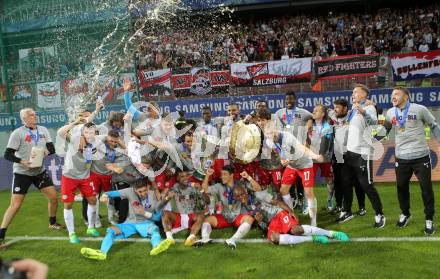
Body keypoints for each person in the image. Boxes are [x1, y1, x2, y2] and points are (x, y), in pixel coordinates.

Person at [0, 108, 63, 250]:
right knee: (15, 205)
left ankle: (52, 222)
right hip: (22, 173)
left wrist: (47, 151)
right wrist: (22, 161)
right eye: (31, 115)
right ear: (24, 118)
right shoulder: (18, 133)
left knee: (53, 197)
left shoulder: (43, 130)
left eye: (35, 114)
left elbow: (51, 148)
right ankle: (1, 235)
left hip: (39, 171)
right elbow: (8, 155)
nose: (35, 116)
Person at [385, 86, 440, 235]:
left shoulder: (419, 109)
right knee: (401, 187)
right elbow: (386, 129)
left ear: (406, 97)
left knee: (426, 189)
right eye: (392, 95)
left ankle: (429, 219)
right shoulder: (390, 112)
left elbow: (434, 125)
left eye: (396, 94)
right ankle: (405, 213)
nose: (393, 97)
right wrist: (372, 138)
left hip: (420, 157)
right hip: (401, 158)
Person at [238, 172, 349, 245]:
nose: (241, 197)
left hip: (278, 214)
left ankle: (331, 233)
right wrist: (259, 221)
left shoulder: (258, 195)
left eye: (242, 194)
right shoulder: (244, 209)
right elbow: (259, 226)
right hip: (271, 224)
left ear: (246, 192)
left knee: (296, 230)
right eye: (238, 196)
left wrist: (291, 211)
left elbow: (277, 202)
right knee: (274, 239)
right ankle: (313, 238)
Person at [80, 180, 173, 260]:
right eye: (140, 191)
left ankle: (156, 247)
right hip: (130, 223)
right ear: (134, 190)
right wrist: (105, 195)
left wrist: (144, 213)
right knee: (111, 230)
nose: (143, 194)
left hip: (146, 223)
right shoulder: (129, 191)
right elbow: (112, 193)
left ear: (148, 188)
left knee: (155, 231)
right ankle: (102, 253)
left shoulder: (154, 196)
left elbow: (157, 217)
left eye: (145, 190)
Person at [341, 84, 385, 228]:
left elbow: (375, 123)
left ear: (364, 95)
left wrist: (364, 112)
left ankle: (379, 214)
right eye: (352, 92)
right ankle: (346, 211)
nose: (352, 94)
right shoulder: (354, 109)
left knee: (366, 185)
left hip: (362, 153)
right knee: (346, 184)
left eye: (355, 92)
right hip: (349, 152)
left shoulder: (369, 107)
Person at [57, 119, 100, 243]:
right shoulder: (75, 139)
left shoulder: (96, 142)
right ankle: (72, 233)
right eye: (87, 132)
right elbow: (60, 132)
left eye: (92, 132)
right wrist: (75, 122)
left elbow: (90, 157)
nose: (90, 135)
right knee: (68, 204)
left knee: (93, 200)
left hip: (85, 176)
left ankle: (91, 228)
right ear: (83, 133)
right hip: (69, 176)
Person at [198, 165, 255, 249]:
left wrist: (249, 178)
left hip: (237, 216)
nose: (222, 177)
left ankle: (233, 240)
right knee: (207, 219)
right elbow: (205, 189)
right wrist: (207, 175)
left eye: (225, 174)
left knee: (249, 219)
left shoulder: (240, 184)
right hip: (224, 216)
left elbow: (257, 188)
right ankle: (205, 238)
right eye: (221, 174)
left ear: (231, 175)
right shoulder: (219, 186)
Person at [275, 91, 312, 211]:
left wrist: (310, 128)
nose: (289, 102)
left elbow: (314, 117)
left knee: (301, 179)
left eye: (291, 100)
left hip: (299, 152)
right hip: (286, 151)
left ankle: (302, 200)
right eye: (287, 100)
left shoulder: (303, 112)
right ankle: (293, 199)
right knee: (288, 178)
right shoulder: (279, 113)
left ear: (295, 100)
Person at [330, 99, 365, 216]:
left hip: (351, 153)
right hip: (337, 154)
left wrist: (370, 104)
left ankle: (362, 207)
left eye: (338, 107)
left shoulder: (353, 114)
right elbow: (319, 111)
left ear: (345, 108)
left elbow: (366, 110)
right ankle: (340, 205)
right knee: (338, 182)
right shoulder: (332, 116)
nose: (335, 110)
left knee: (357, 182)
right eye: (334, 107)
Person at [161, 170, 206, 247]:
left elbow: (207, 201)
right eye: (182, 176)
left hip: (191, 216)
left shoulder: (194, 187)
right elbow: (162, 203)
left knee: (201, 214)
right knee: (165, 213)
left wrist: (201, 190)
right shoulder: (174, 188)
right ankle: (169, 238)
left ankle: (191, 237)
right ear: (177, 178)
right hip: (178, 216)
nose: (185, 178)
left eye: (187, 175)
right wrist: (168, 196)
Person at [308, 104, 334, 210]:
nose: (313, 112)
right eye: (313, 110)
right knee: (308, 181)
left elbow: (330, 143)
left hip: (325, 159)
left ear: (323, 114)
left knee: (329, 179)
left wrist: (326, 155)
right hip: (312, 158)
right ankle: (308, 204)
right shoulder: (309, 125)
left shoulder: (328, 126)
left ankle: (330, 200)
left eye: (316, 111)